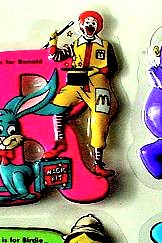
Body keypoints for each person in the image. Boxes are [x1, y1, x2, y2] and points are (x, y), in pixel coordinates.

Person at [47, 10, 118, 177]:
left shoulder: (105, 45)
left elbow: (113, 66)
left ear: (98, 26)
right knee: (58, 104)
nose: (90, 25)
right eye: (87, 22)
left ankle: (98, 163)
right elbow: (56, 57)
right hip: (77, 80)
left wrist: (104, 69)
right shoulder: (75, 44)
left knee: (100, 119)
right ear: (81, 25)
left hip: (98, 83)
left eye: (93, 23)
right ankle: (60, 141)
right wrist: (53, 42)